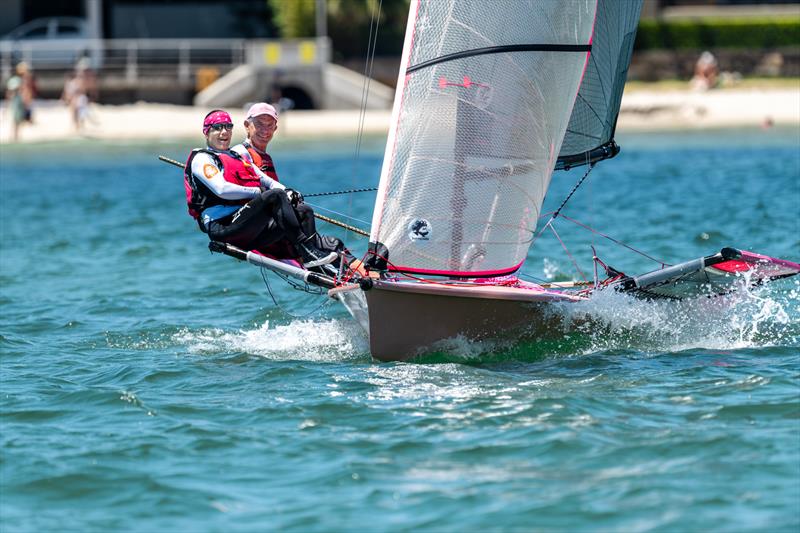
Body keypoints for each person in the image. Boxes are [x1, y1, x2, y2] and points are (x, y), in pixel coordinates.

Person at [184, 109, 338, 269]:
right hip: (223, 227)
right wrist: (259, 192)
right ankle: (308, 252)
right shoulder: (203, 158)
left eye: (228, 127)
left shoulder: (235, 156)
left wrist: (288, 191)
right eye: (217, 127)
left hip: (247, 227)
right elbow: (222, 189)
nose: (224, 132)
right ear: (206, 132)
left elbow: (267, 181)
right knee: (275, 196)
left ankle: (313, 262)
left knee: (303, 211)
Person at [231, 102, 360, 270]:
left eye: (269, 125)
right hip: (261, 231)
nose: (265, 130)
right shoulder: (240, 153)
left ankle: (366, 280)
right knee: (329, 242)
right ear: (247, 126)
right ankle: (369, 281)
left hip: (277, 228)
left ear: (275, 128)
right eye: (259, 124)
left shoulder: (264, 156)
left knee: (334, 245)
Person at [5, 62, 36, 141]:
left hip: (20, 102)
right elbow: (11, 92)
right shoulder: (16, 80)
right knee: (16, 120)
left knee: (19, 120)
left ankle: (16, 136)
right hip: (17, 102)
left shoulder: (22, 80)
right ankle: (15, 136)